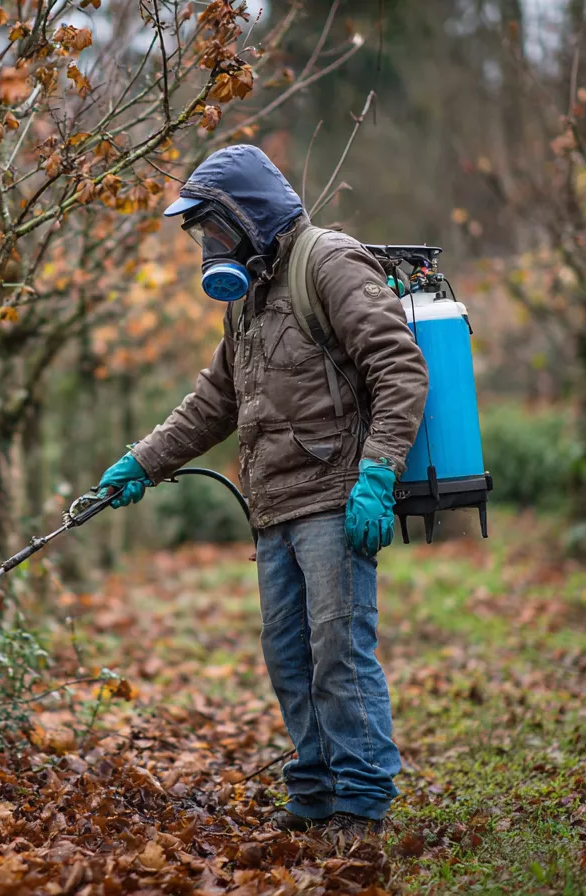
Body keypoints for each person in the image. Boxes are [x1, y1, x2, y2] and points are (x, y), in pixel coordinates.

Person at [96, 145, 428, 842]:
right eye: (201, 234)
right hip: (272, 504)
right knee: (288, 654)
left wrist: (378, 474)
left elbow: (400, 369)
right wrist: (141, 463)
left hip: (337, 495)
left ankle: (361, 804)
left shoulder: (328, 262)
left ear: (246, 215)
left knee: (337, 650)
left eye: (212, 227)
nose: (207, 244)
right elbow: (213, 402)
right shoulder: (246, 294)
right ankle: (313, 790)